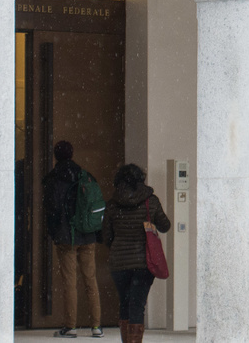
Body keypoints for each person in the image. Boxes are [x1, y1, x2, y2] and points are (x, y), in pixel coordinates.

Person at [102, 163, 170, 343]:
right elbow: (165, 226)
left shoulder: (112, 204)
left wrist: (120, 244)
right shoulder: (150, 201)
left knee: (124, 302)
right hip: (143, 262)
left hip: (119, 262)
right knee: (137, 305)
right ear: (140, 179)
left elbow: (106, 236)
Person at [42, 140, 103, 338]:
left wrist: (54, 232)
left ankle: (71, 326)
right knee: (90, 280)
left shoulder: (54, 179)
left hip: (66, 237)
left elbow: (51, 209)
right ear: (72, 154)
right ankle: (96, 326)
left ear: (55, 156)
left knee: (70, 283)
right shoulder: (85, 175)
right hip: (87, 234)